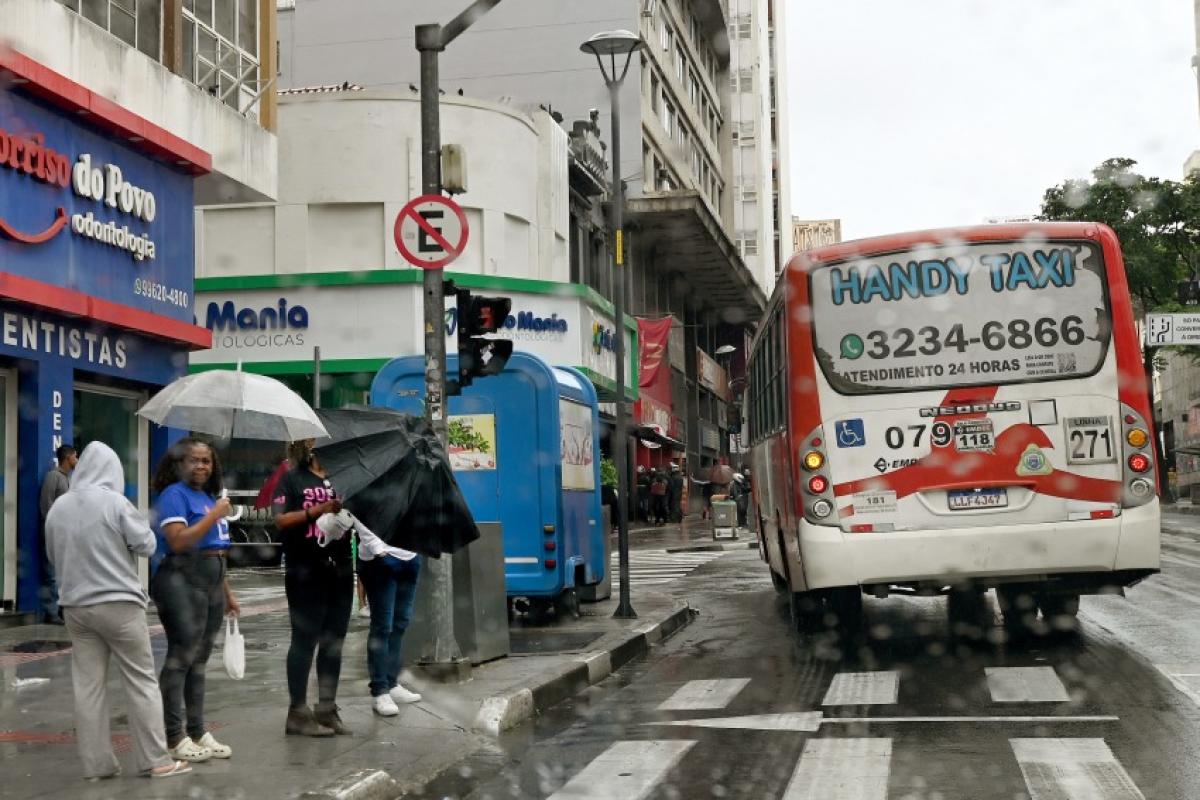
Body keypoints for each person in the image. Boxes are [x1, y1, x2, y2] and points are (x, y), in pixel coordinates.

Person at [47, 442, 191, 780]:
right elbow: (147, 544)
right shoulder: (114, 502)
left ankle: (97, 765)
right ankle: (156, 761)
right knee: (140, 681)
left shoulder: (59, 508)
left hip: (75, 607)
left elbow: (54, 555)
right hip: (119, 605)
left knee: (88, 686)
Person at [151, 438, 240, 763]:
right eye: (194, 460)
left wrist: (227, 593)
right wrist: (215, 513)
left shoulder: (205, 496)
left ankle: (198, 730)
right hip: (180, 579)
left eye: (206, 460)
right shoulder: (173, 495)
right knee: (181, 657)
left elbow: (215, 546)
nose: (201, 466)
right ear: (179, 464)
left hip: (212, 580)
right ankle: (174, 737)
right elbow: (178, 541)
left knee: (199, 660)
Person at [273, 438, 352, 736]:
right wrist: (318, 510)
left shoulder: (343, 480)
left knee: (334, 641)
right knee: (304, 640)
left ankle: (327, 708)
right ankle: (297, 712)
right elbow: (280, 519)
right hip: (304, 568)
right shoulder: (292, 478)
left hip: (340, 568)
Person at [355, 515, 423, 716]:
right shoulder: (371, 484)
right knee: (382, 626)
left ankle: (392, 683)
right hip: (380, 560)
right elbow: (358, 513)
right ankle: (380, 690)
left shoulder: (413, 484)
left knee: (401, 622)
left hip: (409, 557)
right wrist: (378, 549)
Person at [39, 444, 77, 624]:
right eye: (75, 456)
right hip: (53, 535)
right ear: (68, 457)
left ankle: (62, 610)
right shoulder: (53, 477)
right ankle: (50, 612)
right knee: (52, 574)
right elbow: (46, 506)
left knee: (64, 575)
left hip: (66, 535)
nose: (76, 460)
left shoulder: (69, 479)